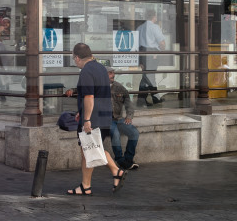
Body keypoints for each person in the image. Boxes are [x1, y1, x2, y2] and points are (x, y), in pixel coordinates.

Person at [66, 43, 126, 195]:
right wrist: (82, 111)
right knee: (90, 149)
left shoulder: (86, 71)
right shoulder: (100, 68)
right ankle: (86, 186)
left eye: (74, 59)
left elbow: (89, 96)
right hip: (105, 115)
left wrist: (86, 119)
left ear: (77, 57)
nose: (75, 62)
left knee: (90, 149)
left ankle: (116, 171)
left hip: (93, 118)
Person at [108, 66, 139, 170]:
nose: (113, 75)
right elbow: (83, 91)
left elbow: (128, 103)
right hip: (106, 120)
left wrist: (129, 116)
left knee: (134, 133)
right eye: (110, 73)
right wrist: (71, 90)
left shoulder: (119, 87)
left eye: (113, 73)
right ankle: (120, 160)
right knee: (115, 134)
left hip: (118, 119)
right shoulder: (98, 87)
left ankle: (128, 159)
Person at [137, 10, 166, 106]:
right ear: (154, 16)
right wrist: (161, 49)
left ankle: (141, 99)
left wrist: (140, 60)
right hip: (152, 54)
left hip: (142, 54)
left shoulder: (139, 28)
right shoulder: (154, 27)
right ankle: (155, 98)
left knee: (146, 77)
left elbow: (137, 45)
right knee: (150, 77)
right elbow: (162, 43)